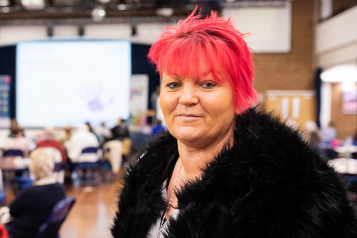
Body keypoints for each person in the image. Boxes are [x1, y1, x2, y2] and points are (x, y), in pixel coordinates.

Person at [111, 9, 357, 238]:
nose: (186, 98)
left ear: (238, 96)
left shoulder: (290, 195)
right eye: (173, 84)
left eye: (207, 84)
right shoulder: (146, 174)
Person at [4, 149, 66, 238]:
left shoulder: (30, 192)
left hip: (25, 233)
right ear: (51, 166)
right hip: (49, 232)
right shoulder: (60, 188)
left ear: (32, 168)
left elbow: (12, 211)